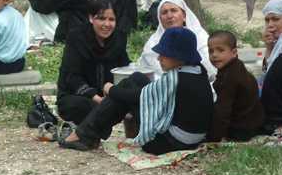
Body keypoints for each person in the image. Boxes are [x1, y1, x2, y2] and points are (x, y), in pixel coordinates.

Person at [59, 27, 214, 154]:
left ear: (179, 57)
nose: (159, 58)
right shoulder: (197, 70)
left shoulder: (177, 78)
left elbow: (138, 97)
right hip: (193, 138)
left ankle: (84, 135)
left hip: (169, 143)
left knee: (127, 88)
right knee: (137, 78)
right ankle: (88, 133)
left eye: (164, 54)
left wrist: (110, 89)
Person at [55, 0, 129, 124]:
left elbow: (123, 68)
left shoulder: (119, 38)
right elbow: (72, 77)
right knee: (83, 107)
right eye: (101, 18)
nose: (106, 24)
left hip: (108, 95)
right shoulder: (77, 37)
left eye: (111, 20)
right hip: (78, 95)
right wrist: (98, 100)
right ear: (91, 18)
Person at [137, 0, 216, 79]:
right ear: (159, 19)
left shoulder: (199, 36)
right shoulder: (153, 41)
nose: (169, 16)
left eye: (173, 10)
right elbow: (146, 69)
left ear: (184, 15)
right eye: (164, 12)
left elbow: (209, 67)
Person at [206, 31, 265, 142]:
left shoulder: (230, 77)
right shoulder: (236, 66)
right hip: (254, 123)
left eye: (220, 50)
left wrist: (213, 139)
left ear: (234, 52)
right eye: (211, 51)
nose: (214, 55)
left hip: (242, 129)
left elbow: (223, 111)